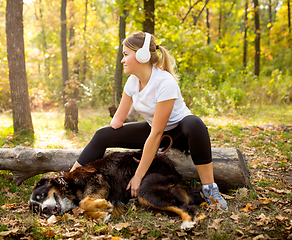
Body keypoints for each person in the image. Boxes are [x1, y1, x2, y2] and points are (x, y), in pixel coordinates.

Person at [70, 31, 228, 210]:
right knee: (101, 134)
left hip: (179, 133)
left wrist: (138, 175)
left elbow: (157, 133)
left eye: (125, 55)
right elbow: (117, 121)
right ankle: (69, 180)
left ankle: (209, 189)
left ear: (142, 56)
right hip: (155, 130)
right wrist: (111, 132)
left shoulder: (165, 82)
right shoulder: (132, 82)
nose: (122, 60)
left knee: (195, 123)